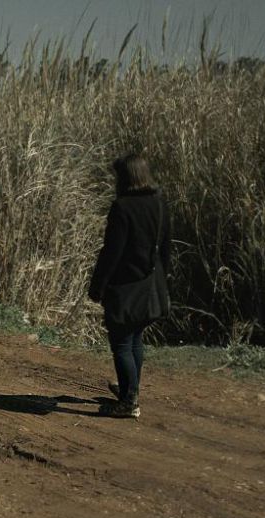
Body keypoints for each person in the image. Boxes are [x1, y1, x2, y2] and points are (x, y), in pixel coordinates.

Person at [88, 154, 171, 418]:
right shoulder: (159, 203)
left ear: (125, 177)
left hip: (126, 286)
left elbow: (112, 252)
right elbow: (166, 248)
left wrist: (98, 285)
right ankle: (129, 390)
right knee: (135, 338)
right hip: (151, 285)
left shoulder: (122, 207)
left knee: (122, 343)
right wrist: (162, 281)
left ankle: (129, 401)